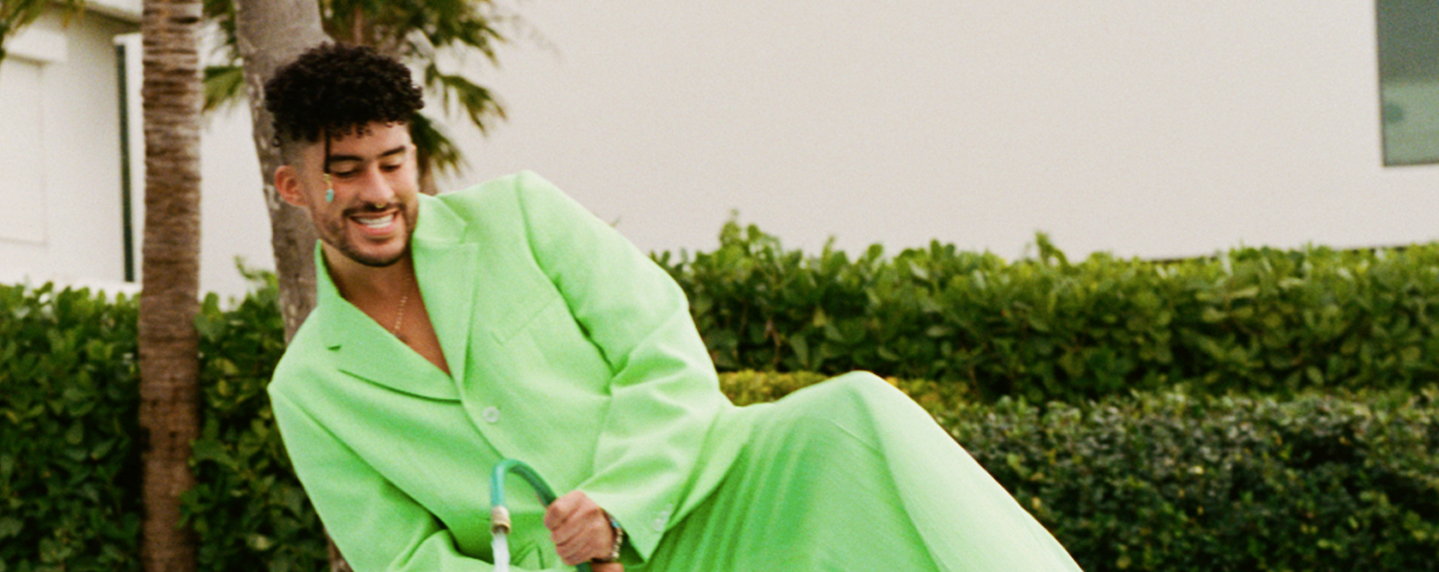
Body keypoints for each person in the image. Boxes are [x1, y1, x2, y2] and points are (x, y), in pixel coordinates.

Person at [265, 43, 1083, 572]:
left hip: (708, 492)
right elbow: (401, 558)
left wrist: (619, 503)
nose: (378, 191)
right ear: (295, 187)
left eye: (393, 162)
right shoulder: (308, 389)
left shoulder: (521, 214)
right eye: (346, 171)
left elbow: (660, 351)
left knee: (858, 412)